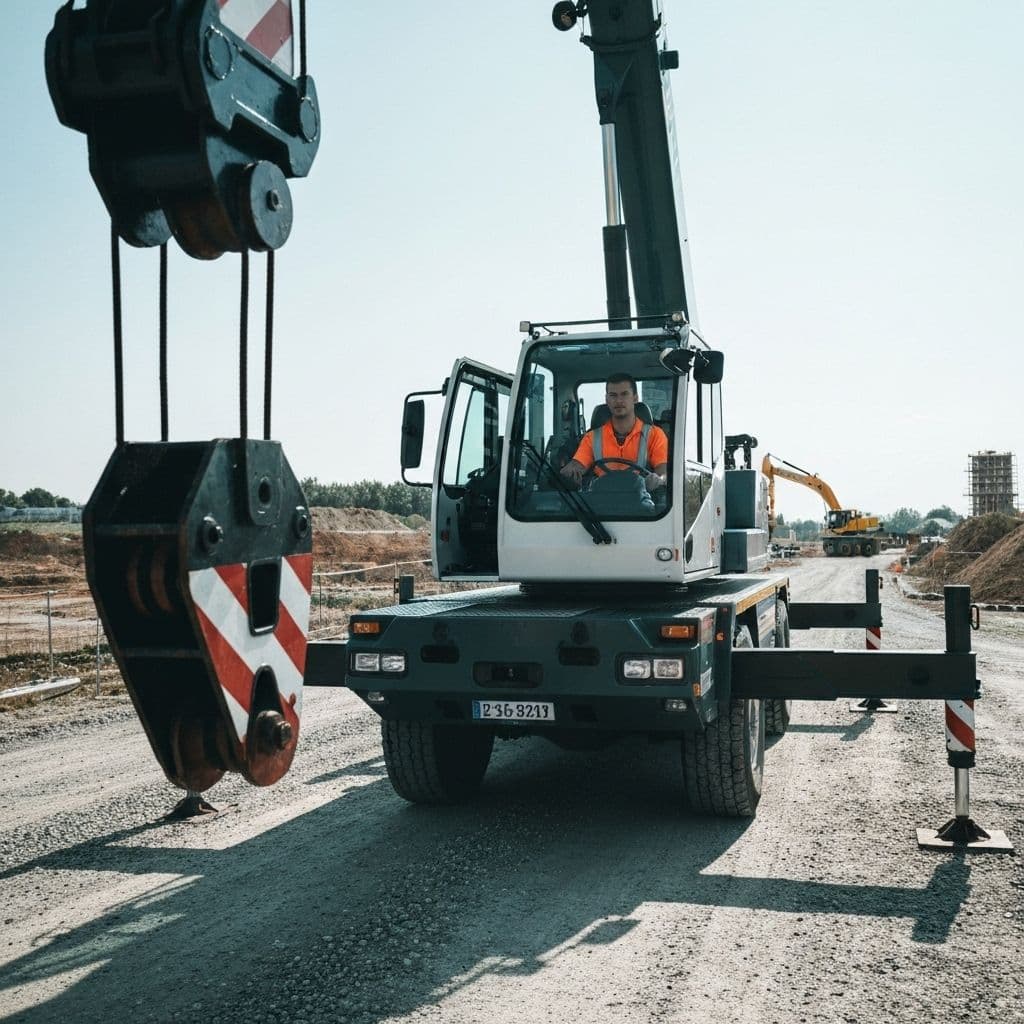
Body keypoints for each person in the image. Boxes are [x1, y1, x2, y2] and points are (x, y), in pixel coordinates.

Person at [560, 373, 668, 492]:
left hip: (642, 500)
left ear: (635, 398)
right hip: (600, 500)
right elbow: (578, 465)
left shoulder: (655, 435)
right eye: (613, 395)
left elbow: (664, 471)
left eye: (624, 394)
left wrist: (658, 479)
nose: (618, 400)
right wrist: (569, 471)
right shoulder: (592, 437)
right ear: (607, 400)